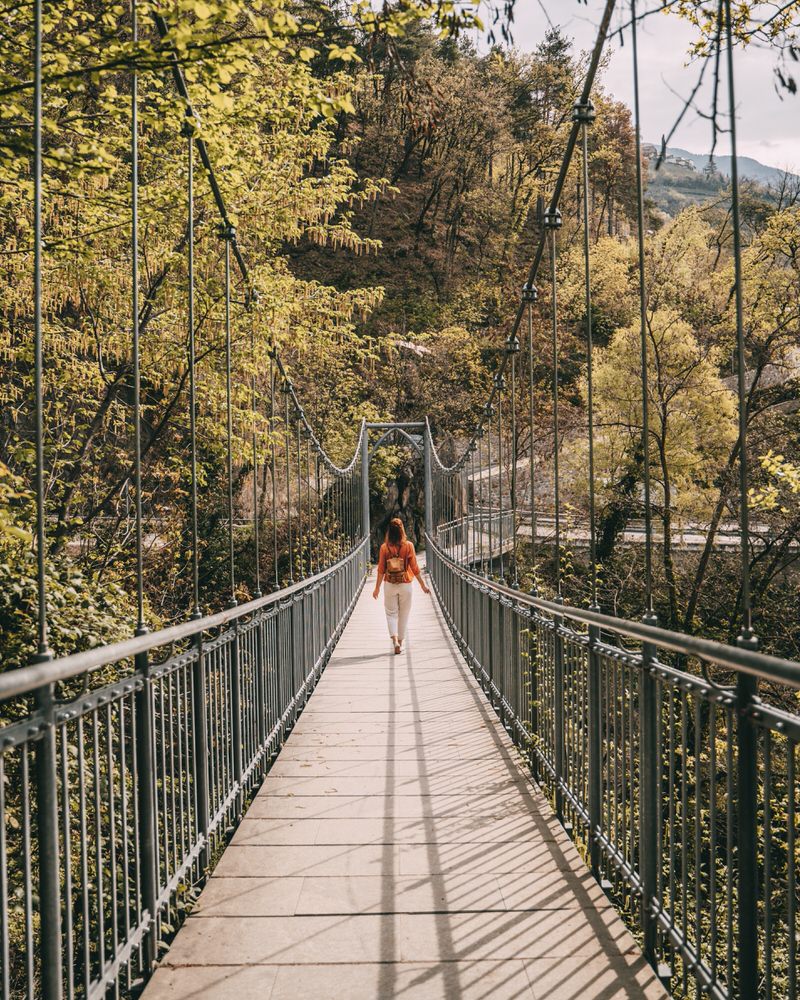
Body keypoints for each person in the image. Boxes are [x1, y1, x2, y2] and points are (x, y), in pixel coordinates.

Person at [372, 517, 430, 654]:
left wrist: (377, 588)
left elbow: (380, 570)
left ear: (389, 531)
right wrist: (422, 585)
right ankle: (401, 643)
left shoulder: (384, 548)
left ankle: (395, 641)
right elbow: (415, 568)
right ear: (402, 530)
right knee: (403, 614)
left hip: (390, 584)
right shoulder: (408, 545)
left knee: (391, 613)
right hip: (406, 584)